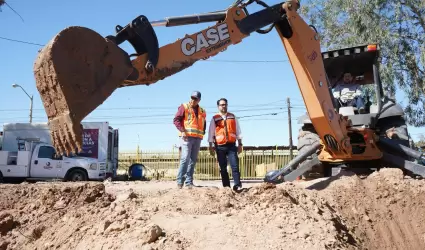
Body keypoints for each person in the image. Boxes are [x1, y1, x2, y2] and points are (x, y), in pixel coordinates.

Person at [173, 91, 207, 189]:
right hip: (186, 137)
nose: (193, 100)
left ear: (199, 100)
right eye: (192, 98)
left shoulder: (202, 110)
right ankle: (180, 181)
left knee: (192, 160)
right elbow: (176, 120)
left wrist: (203, 132)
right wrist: (182, 131)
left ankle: (189, 183)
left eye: (195, 98)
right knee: (185, 158)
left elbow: (204, 123)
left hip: (198, 138)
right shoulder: (184, 106)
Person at [208, 98, 243, 191]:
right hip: (220, 146)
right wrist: (210, 146)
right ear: (218, 106)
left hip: (231, 145)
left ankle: (237, 185)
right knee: (223, 168)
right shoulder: (215, 118)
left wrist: (240, 144)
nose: (224, 106)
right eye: (222, 105)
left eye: (225, 104)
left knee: (235, 166)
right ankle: (226, 187)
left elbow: (238, 130)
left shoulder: (232, 116)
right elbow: (211, 132)